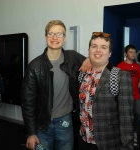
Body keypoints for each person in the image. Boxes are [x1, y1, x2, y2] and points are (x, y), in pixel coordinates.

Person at [21, 20, 91, 150]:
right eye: (51, 34)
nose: (55, 37)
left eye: (59, 34)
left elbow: (96, 61)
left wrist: (88, 59)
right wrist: (31, 133)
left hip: (66, 123)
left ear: (64, 38)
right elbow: (27, 102)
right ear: (45, 37)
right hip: (42, 125)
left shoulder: (73, 57)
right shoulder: (34, 66)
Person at [78, 32, 134, 150]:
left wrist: (127, 147)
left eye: (103, 47)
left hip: (107, 143)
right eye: (94, 46)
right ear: (89, 51)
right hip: (83, 140)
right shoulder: (82, 75)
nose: (98, 50)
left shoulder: (120, 76)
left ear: (109, 53)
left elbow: (126, 119)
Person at [117, 44, 140, 146]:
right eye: (131, 52)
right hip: (124, 98)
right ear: (126, 54)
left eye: (134, 52)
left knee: (138, 114)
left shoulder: (137, 67)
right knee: (125, 117)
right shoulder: (120, 66)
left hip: (136, 96)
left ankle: (134, 132)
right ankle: (125, 137)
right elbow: (116, 81)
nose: (133, 54)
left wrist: (135, 87)